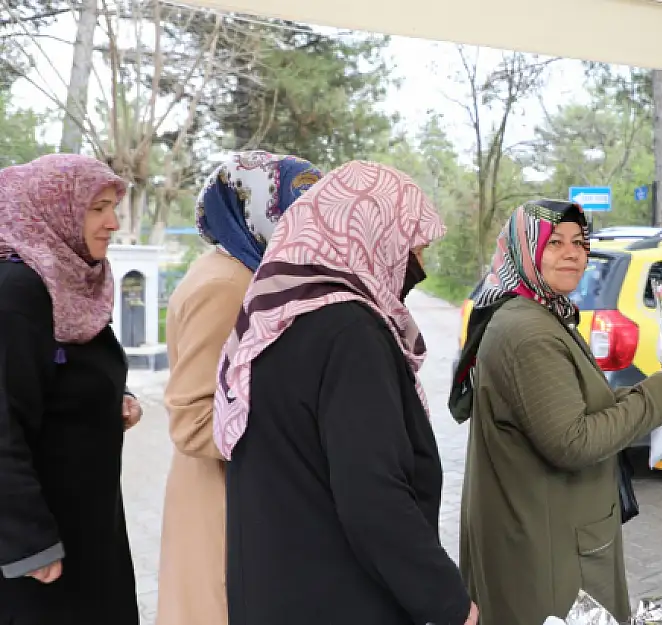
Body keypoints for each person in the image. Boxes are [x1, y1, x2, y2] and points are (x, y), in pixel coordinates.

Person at [213, 161, 476, 625]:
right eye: (413, 242)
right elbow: (373, 495)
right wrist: (449, 602)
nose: (420, 263)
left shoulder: (274, 318)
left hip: (276, 588)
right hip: (339, 596)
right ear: (372, 231)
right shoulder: (350, 332)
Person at [451, 199, 662, 625]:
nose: (572, 253)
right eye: (555, 242)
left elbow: (575, 407)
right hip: (548, 551)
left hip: (542, 532)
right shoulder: (529, 332)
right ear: (525, 250)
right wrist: (658, 395)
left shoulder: (540, 313)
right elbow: (572, 441)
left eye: (580, 243)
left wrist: (651, 392)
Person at [157, 151, 321, 625]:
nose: (309, 227)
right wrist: (295, 438)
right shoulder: (228, 284)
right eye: (296, 210)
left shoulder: (246, 272)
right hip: (220, 503)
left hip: (237, 495)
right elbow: (192, 420)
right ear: (254, 211)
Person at [0, 154, 140, 624]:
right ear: (54, 208)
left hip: (90, 528)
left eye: (112, 207)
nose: (112, 223)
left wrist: (112, 399)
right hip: (43, 552)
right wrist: (29, 543)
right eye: (97, 208)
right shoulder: (17, 294)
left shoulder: (68, 283)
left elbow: (72, 373)